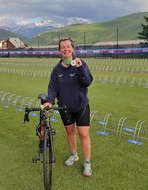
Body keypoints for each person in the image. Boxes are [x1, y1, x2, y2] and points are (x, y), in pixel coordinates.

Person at [43, 37, 93, 177]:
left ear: (73, 48)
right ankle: (74, 155)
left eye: (68, 46)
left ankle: (87, 162)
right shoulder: (56, 70)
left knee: (83, 134)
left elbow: (87, 82)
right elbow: (52, 88)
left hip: (81, 105)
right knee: (70, 132)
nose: (65, 49)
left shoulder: (80, 64)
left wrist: (80, 68)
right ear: (59, 50)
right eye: (62, 47)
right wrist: (50, 101)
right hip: (65, 107)